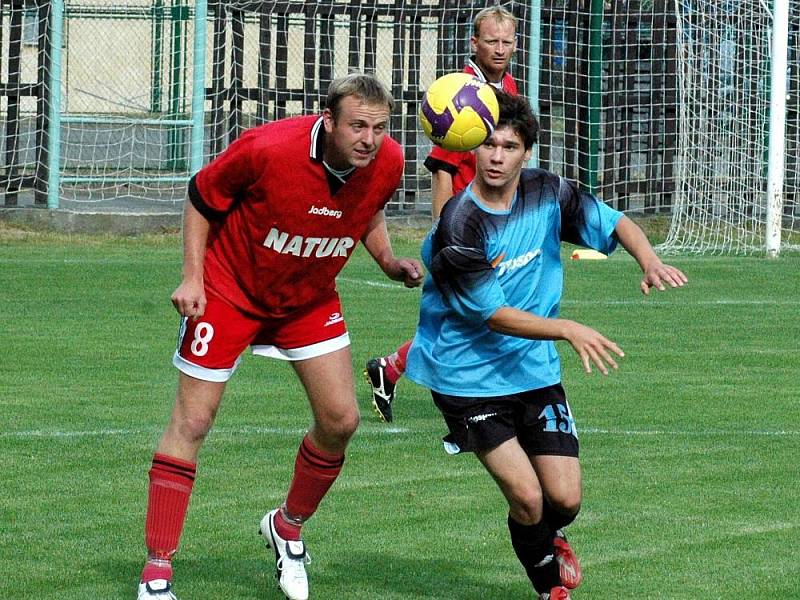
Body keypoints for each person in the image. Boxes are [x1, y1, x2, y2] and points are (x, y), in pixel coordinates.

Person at [136, 73, 424, 600]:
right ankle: (157, 573)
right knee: (193, 421)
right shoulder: (268, 148)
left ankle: (287, 526)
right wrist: (192, 277)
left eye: (379, 128)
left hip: (308, 298)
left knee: (341, 420)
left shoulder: (388, 162)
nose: (369, 138)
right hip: (230, 291)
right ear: (328, 120)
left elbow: (370, 206)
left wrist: (386, 259)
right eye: (357, 126)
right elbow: (202, 197)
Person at [404, 92, 687, 599]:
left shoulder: (548, 192)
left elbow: (614, 220)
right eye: (488, 144)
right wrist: (568, 329)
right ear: (471, 147)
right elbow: (492, 315)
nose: (496, 156)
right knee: (528, 496)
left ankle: (545, 537)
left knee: (565, 499)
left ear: (526, 153)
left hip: (533, 370)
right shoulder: (458, 226)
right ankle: (549, 585)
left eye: (509, 146)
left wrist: (649, 259)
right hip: (467, 377)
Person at [365, 5, 519, 422]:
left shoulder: (509, 88)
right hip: (463, 222)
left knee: (471, 311)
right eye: (491, 41)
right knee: (478, 310)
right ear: (474, 43)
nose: (500, 49)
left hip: (493, 219)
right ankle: (471, 391)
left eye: (507, 42)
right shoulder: (461, 93)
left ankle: (391, 368)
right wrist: (443, 232)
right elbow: (443, 168)